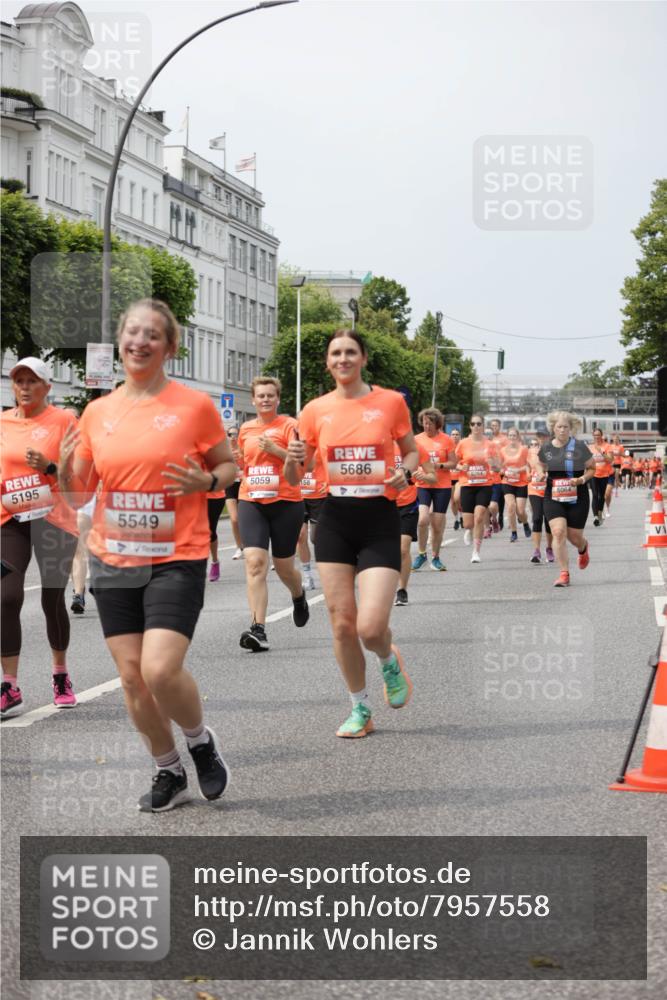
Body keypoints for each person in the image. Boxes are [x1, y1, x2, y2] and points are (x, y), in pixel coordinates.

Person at [58, 298, 237, 812]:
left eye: (151, 335)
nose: (139, 342)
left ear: (169, 347)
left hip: (176, 554)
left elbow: (226, 467)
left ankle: (200, 742)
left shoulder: (194, 407)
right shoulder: (98, 412)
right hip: (113, 556)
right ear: (120, 341)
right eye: (131, 332)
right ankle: (168, 769)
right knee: (132, 677)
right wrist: (68, 463)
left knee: (160, 670)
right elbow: (80, 489)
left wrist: (206, 480)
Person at [286, 329, 418, 738]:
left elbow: (411, 450)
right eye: (335, 353)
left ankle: (388, 659)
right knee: (342, 623)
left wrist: (405, 471)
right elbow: (297, 475)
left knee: (370, 628)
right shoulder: (314, 411)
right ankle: (360, 708)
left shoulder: (390, 403)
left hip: (379, 520)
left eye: (350, 352)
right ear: (328, 362)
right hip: (335, 520)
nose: (342, 359)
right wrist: (292, 461)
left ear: (362, 358)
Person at [1, 358, 79, 717]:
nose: (25, 387)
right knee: (5, 596)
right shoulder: (1, 423)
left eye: (32, 381)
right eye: (19, 381)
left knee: (51, 599)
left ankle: (60, 674)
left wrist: (49, 466)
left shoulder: (65, 422)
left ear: (48, 387)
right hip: (10, 519)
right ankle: (9, 685)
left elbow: (81, 478)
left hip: (54, 518)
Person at [236, 376, 309, 652]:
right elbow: (246, 461)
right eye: (260, 396)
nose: (265, 399)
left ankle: (298, 595)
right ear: (253, 400)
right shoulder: (245, 429)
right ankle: (258, 628)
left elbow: (300, 463)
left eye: (270, 395)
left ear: (278, 399)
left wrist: (275, 450)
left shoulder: (290, 426)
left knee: (285, 567)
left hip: (286, 502)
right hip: (251, 499)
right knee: (254, 562)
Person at [537, 411, 595, 588]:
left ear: (571, 429)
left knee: (574, 537)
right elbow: (540, 465)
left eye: (566, 427)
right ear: (553, 428)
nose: (562, 430)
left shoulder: (579, 447)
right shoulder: (546, 448)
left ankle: (583, 547)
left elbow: (592, 468)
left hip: (578, 495)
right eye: (559, 427)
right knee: (558, 532)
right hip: (553, 496)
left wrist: (581, 480)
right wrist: (540, 474)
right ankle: (564, 573)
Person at [411, 408, 456, 572]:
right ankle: (422, 554)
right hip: (422, 484)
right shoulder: (416, 439)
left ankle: (436, 558)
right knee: (422, 519)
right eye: (424, 423)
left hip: (442, 486)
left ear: (437, 424)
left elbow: (454, 463)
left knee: (437, 525)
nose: (426, 426)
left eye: (430, 423)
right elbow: (410, 459)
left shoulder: (446, 440)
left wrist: (439, 465)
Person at [455, 414, 500, 563]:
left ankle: (476, 551)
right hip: (467, 485)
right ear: (470, 426)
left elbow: (498, 466)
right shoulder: (463, 443)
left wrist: (493, 463)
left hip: (484, 484)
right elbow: (454, 463)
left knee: (479, 516)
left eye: (479, 424)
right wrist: (462, 466)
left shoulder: (490, 444)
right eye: (473, 424)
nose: (476, 426)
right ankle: (468, 530)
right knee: (468, 523)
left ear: (483, 426)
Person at [394, 443, 435, 605]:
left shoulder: (416, 448)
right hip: (382, 505)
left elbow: (433, 476)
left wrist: (424, 477)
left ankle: (402, 590)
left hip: (408, 505)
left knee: (403, 549)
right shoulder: (378, 444)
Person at [499, 426, 531, 541]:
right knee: (511, 507)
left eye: (514, 435)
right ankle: (514, 533)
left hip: (521, 483)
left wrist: (518, 470)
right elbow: (500, 466)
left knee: (521, 511)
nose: (512, 437)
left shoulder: (523, 449)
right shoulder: (503, 450)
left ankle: (525, 523)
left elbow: (528, 465)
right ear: (507, 437)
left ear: (518, 437)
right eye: (510, 435)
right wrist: (502, 471)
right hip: (507, 482)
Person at [527, 437, 553, 563]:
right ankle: (536, 551)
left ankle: (549, 548)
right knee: (537, 518)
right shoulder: (528, 455)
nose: (535, 446)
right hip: (534, 490)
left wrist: (546, 473)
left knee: (548, 521)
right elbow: (526, 469)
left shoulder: (548, 455)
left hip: (548, 491)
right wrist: (527, 475)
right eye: (532, 444)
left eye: (537, 444)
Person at [224, 425, 244, 560]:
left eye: (236, 434)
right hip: (230, 485)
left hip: (244, 484)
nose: (233, 437)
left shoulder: (244, 447)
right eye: (230, 434)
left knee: (245, 518)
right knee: (234, 519)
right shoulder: (224, 449)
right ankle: (239, 547)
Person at [488, 418, 508, 533]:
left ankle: (500, 515)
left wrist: (504, 467)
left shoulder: (504, 439)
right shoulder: (488, 439)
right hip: (492, 470)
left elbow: (507, 454)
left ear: (499, 426)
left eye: (496, 425)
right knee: (492, 495)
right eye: (492, 425)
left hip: (502, 470)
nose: (494, 427)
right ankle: (492, 516)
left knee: (501, 495)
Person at [590, 428, 613, 526]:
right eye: (595, 435)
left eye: (598, 435)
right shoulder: (590, 447)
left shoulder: (607, 446)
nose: (597, 437)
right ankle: (595, 517)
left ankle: (600, 512)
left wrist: (602, 452)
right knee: (595, 495)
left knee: (602, 495)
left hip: (604, 474)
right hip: (593, 474)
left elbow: (610, 460)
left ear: (602, 435)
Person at [449, 428, 463, 529]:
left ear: (460, 436)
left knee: (458, 499)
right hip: (449, 478)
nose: (455, 436)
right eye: (453, 434)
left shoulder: (462, 447)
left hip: (460, 477)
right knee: (453, 501)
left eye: (457, 434)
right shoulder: (447, 447)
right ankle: (456, 519)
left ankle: (462, 516)